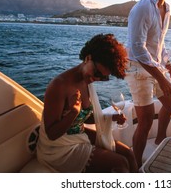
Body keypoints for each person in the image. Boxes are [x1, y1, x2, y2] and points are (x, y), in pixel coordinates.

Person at [36, 33, 138, 172]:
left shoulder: (86, 81)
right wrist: (73, 113)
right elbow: (52, 134)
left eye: (103, 77)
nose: (96, 78)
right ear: (88, 58)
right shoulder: (59, 86)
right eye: (97, 72)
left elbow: (85, 117)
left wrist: (112, 118)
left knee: (129, 154)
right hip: (58, 148)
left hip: (79, 135)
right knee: (119, 164)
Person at [125, 0, 171, 167]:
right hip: (137, 68)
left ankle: (160, 141)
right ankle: (136, 166)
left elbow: (158, 43)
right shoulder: (142, 9)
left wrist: (168, 64)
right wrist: (161, 78)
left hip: (153, 65)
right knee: (145, 119)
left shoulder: (166, 8)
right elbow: (138, 48)